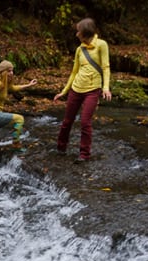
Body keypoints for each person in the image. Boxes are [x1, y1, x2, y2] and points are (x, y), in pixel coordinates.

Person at [53, 18, 112, 163]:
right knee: (67, 121)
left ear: (85, 33)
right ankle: (61, 148)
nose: (76, 34)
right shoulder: (80, 49)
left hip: (93, 90)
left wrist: (105, 88)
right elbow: (74, 72)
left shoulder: (101, 45)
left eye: (78, 31)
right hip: (76, 89)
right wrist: (64, 91)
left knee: (85, 122)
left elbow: (106, 67)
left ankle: (84, 154)